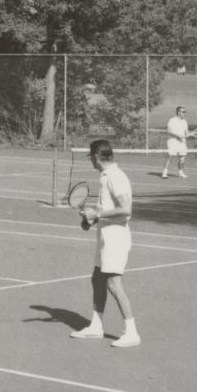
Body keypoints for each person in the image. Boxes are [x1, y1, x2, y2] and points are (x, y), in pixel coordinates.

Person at [71, 139, 140, 347]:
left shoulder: (116, 177)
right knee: (97, 279)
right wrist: (90, 219)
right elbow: (107, 212)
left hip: (116, 238)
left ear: (95, 157)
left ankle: (132, 333)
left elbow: (126, 209)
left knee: (113, 284)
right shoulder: (105, 176)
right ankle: (96, 326)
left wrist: (97, 213)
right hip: (105, 236)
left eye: (90, 158)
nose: (91, 162)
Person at [161, 105, 189, 179]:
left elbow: (186, 133)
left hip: (182, 142)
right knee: (170, 156)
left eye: (185, 112)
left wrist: (187, 135)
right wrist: (178, 135)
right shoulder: (172, 120)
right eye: (183, 111)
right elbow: (168, 130)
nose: (184, 113)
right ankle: (164, 173)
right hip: (173, 141)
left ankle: (181, 172)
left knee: (182, 158)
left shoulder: (184, 122)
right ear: (178, 112)